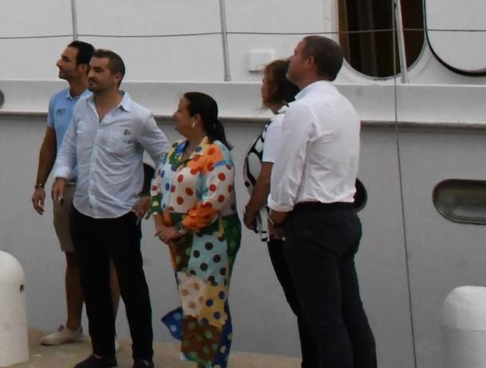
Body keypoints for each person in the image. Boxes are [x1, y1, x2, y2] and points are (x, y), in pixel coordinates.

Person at [50, 49, 169, 368]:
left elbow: (165, 158)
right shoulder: (82, 109)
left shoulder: (138, 116)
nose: (91, 75)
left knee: (133, 288)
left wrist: (151, 195)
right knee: (93, 286)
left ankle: (143, 357)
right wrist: (61, 175)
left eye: (99, 70)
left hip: (120, 215)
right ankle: (103, 353)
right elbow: (68, 148)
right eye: (91, 69)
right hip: (84, 211)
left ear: (117, 77)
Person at [267, 36, 376, 368]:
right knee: (351, 313)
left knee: (324, 321)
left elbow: (288, 172)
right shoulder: (345, 106)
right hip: (344, 215)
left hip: (313, 223)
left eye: (296, 53)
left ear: (310, 62)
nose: (291, 58)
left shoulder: (303, 109)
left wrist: (277, 217)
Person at [150, 92, 242, 367]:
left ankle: (213, 362)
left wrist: (180, 228)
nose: (174, 115)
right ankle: (203, 360)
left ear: (196, 119)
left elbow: (214, 200)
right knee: (192, 298)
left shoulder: (216, 153)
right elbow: (157, 185)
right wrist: (159, 221)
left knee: (210, 300)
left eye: (180, 110)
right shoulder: (175, 151)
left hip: (211, 237)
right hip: (178, 238)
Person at [241, 60, 314, 367]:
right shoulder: (288, 119)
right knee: (305, 302)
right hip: (286, 221)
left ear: (276, 86)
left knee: (302, 301)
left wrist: (251, 210)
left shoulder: (280, 123)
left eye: (265, 81)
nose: (261, 86)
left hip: (280, 225)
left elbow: (268, 175)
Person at [32, 40, 97, 347]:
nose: (58, 63)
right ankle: (73, 326)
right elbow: (51, 143)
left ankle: (105, 331)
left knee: (105, 261)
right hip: (65, 189)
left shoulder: (97, 101)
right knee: (72, 257)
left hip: (96, 190)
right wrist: (39, 183)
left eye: (66, 59)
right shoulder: (57, 100)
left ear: (83, 67)